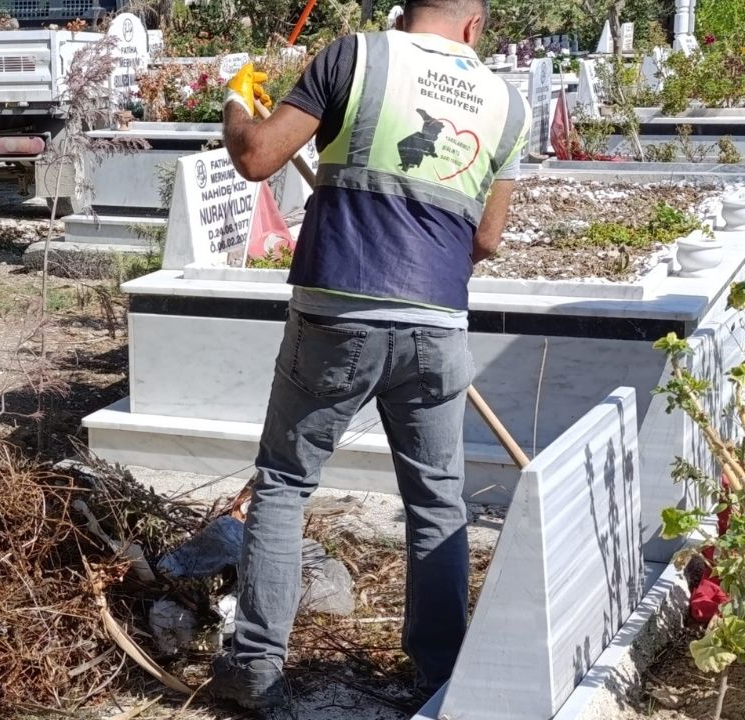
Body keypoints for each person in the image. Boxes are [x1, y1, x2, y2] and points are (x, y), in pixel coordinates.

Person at [210, 0, 529, 712]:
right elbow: (486, 240)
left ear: (405, 11)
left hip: (337, 314)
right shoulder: (509, 104)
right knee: (437, 503)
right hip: (437, 324)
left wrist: (236, 101)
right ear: (474, 27)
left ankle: (258, 668)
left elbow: (257, 154)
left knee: (287, 483)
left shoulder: (355, 56)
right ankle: (442, 675)